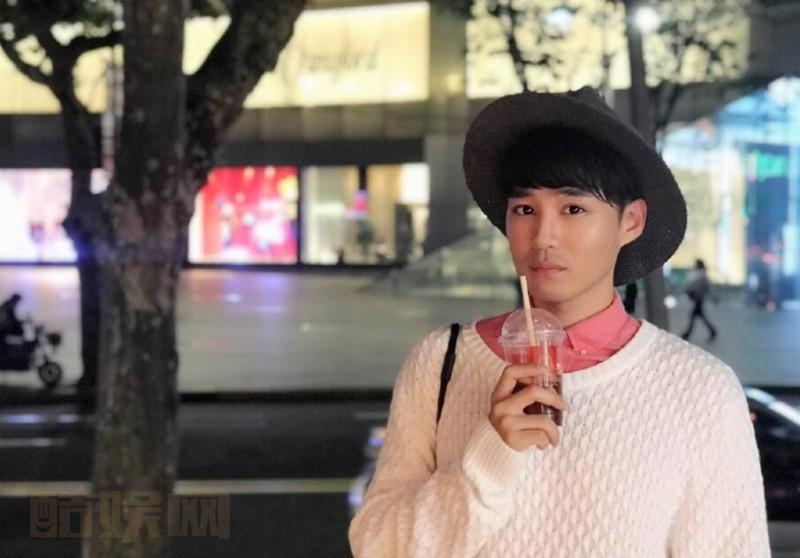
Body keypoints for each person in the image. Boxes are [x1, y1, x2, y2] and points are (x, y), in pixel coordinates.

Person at [348, 88, 769, 557]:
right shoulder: (439, 363)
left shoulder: (700, 390)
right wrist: (488, 459)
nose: (543, 237)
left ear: (631, 221)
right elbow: (378, 546)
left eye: (573, 209)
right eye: (525, 210)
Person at [681, 259, 718, 341]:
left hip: (698, 299)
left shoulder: (700, 275)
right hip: (698, 299)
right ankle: (712, 331)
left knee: (694, 317)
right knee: (699, 316)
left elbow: (701, 288)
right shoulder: (699, 274)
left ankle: (687, 334)